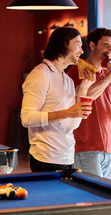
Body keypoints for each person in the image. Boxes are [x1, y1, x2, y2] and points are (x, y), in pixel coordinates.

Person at [21, 27, 95, 172]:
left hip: (67, 157)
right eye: (78, 44)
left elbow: (73, 124)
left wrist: (85, 87)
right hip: (45, 159)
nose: (81, 51)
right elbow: (27, 118)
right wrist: (67, 113)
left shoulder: (67, 80)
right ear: (64, 43)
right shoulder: (40, 75)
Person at [67, 28, 111, 181]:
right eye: (106, 45)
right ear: (92, 46)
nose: (110, 51)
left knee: (106, 195)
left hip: (109, 147)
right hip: (86, 146)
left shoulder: (109, 76)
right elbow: (85, 97)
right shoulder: (76, 71)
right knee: (91, 197)